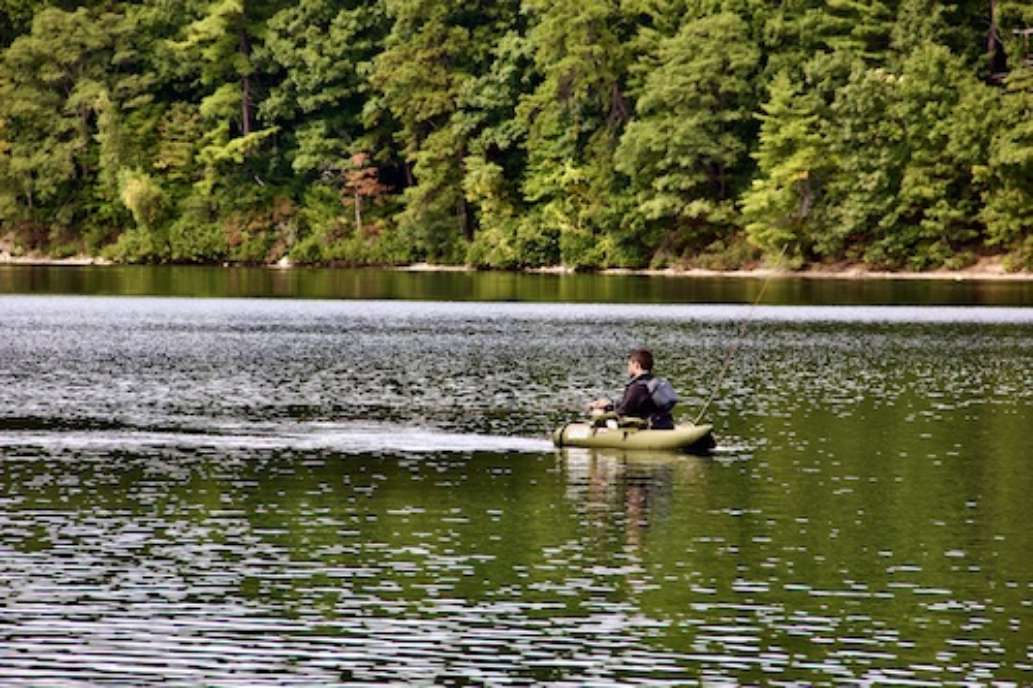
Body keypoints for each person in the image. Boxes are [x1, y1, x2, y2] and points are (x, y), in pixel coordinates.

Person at [588, 348, 676, 430]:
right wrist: (609, 405)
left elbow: (622, 411)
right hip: (664, 422)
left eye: (629, 365)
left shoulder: (638, 387)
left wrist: (603, 409)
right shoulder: (654, 382)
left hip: (647, 425)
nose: (628, 368)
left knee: (598, 413)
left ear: (636, 365)